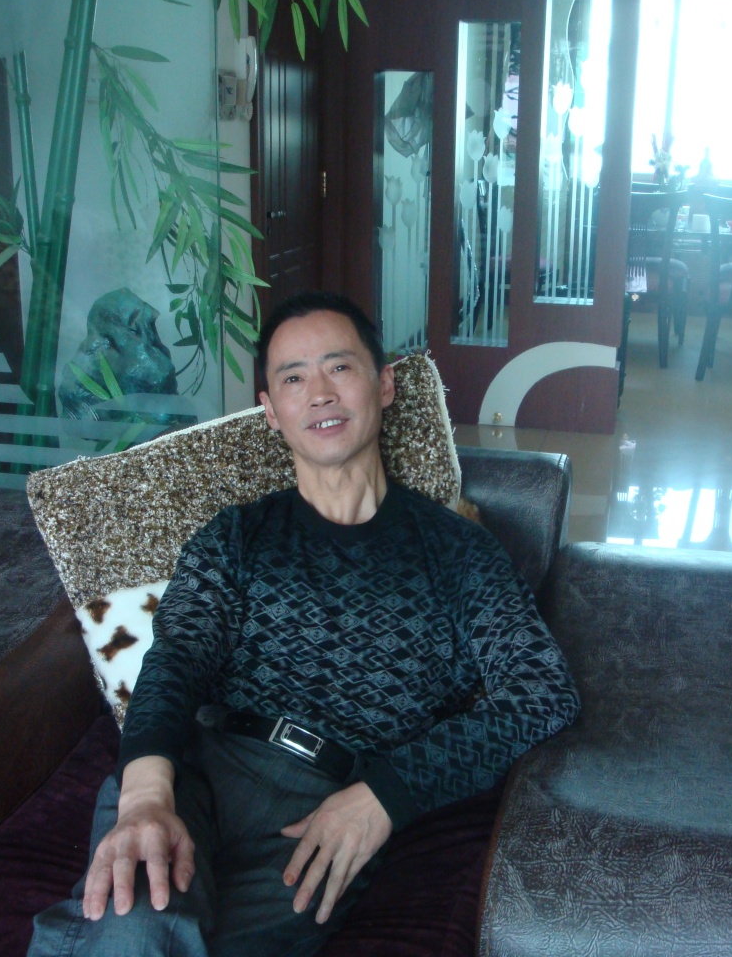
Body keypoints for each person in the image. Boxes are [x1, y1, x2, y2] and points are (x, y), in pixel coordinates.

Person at [28, 291, 579, 957]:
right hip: (197, 773)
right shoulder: (237, 535)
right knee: (135, 924)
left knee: (145, 941)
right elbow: (176, 658)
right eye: (293, 379)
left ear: (384, 385)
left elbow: (542, 693)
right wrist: (146, 797)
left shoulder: (460, 554)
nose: (319, 394)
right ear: (271, 410)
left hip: (328, 815)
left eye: (339, 368)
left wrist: (389, 794)